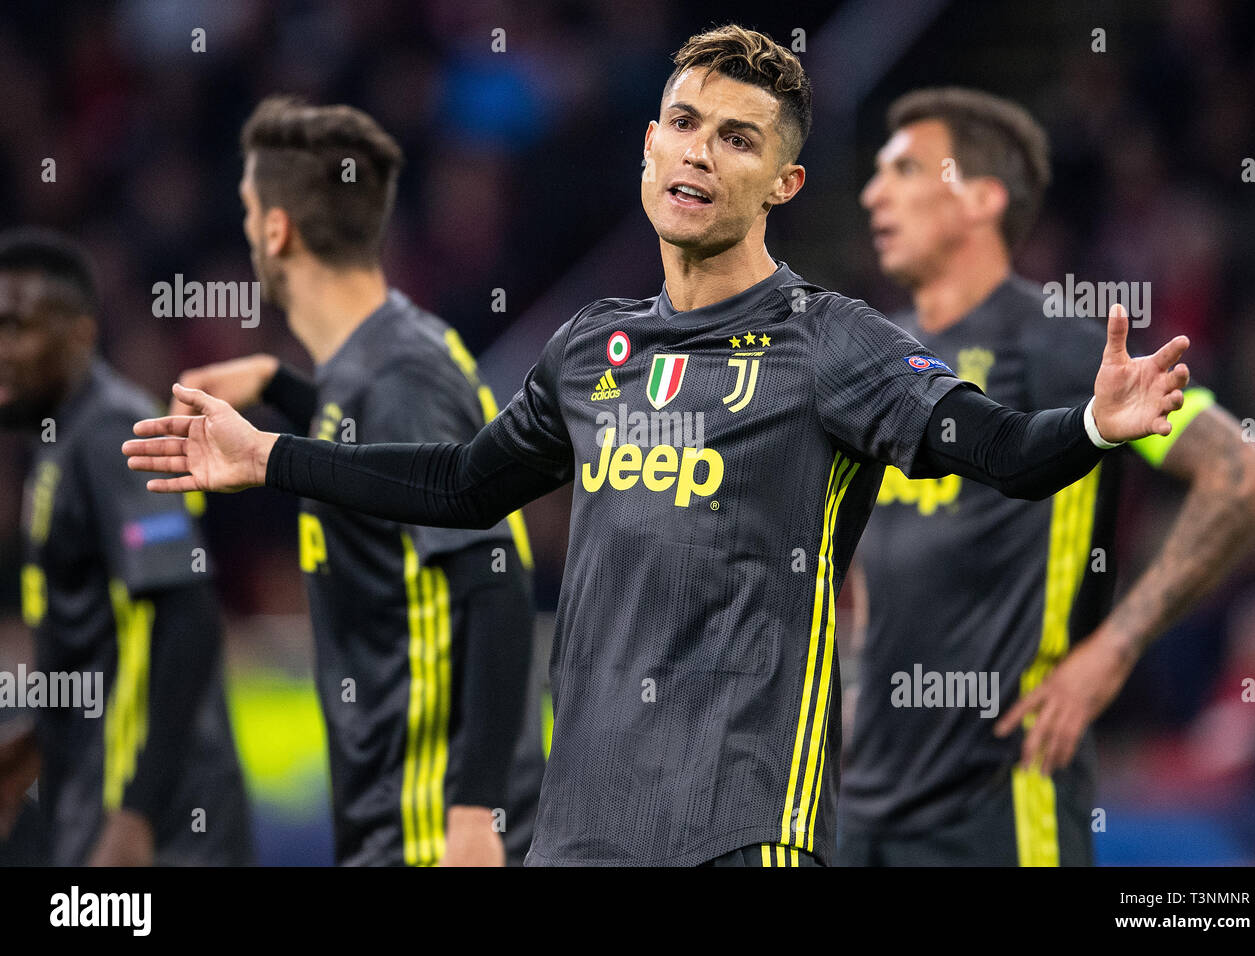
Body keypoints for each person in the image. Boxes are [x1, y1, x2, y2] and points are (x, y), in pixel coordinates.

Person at [124, 26, 1193, 867]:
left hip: (744, 830)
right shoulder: (593, 346)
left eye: (738, 138)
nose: (699, 151)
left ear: (783, 184)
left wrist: (1095, 422)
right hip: (581, 837)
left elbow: (1000, 448)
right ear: (649, 145)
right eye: (684, 122)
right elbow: (460, 483)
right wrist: (272, 456)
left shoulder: (830, 341)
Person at [837, 87, 1255, 866]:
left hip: (1005, 798)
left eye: (906, 170)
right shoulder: (877, 353)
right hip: (860, 804)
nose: (875, 192)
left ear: (981, 200)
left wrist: (1115, 647)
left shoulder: (1060, 346)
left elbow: (1245, 475)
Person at [170, 97, 540, 866]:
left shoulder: (398, 373)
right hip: (398, 813)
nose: (246, 233)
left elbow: (496, 586)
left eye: (248, 211)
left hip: (431, 821)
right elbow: (385, 465)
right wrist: (282, 386)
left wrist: (475, 815)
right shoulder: (379, 360)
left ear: (276, 230)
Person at [0, 228, 252, 866]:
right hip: (100, 806)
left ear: (80, 331)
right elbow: (103, 639)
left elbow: (187, 617)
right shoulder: (60, 443)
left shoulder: (115, 433)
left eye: (15, 326)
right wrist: (35, 743)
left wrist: (134, 815)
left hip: (162, 831)